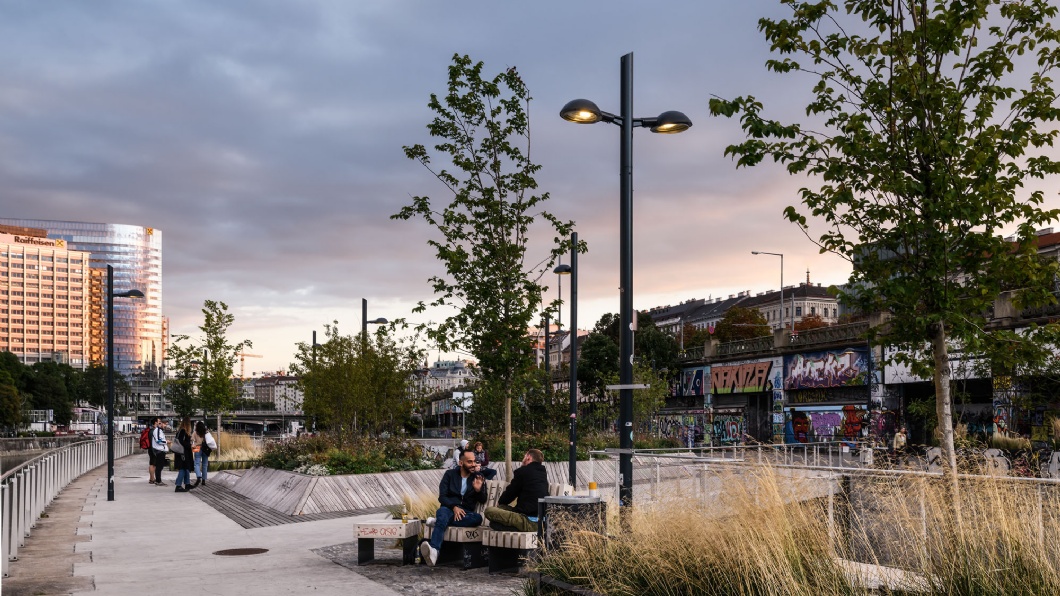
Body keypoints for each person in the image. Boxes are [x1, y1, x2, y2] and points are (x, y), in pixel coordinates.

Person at [420, 449, 487, 567]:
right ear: (461, 463)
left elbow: (483, 499)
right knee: (443, 512)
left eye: (474, 462)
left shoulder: (478, 477)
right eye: (469, 462)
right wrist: (454, 507)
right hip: (448, 508)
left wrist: (478, 490)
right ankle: (434, 551)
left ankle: (439, 521)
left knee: (477, 518)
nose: (473, 465)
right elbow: (442, 497)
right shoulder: (449, 475)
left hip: (466, 513)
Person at [484, 449, 548, 533]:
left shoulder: (523, 471)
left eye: (524, 457)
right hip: (541, 522)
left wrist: (500, 502)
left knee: (489, 511)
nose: (523, 459)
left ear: (528, 457)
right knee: (501, 509)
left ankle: (516, 527)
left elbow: (511, 492)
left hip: (528, 521)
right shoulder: (542, 473)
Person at [173, 417, 195, 492]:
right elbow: (182, 442)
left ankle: (187, 483)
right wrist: (190, 445)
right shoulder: (183, 431)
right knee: (183, 468)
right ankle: (178, 485)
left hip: (182, 452)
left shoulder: (180, 431)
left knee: (186, 468)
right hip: (183, 453)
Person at [192, 421, 215, 488]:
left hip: (197, 448)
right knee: (205, 465)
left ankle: (199, 476)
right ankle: (204, 480)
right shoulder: (206, 432)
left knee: (197, 463)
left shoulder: (195, 432)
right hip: (205, 448)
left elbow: (192, 440)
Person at [150, 418, 168, 486]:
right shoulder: (157, 431)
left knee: (160, 466)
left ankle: (158, 480)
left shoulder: (160, 431)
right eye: (165, 424)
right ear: (161, 423)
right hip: (159, 450)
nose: (166, 426)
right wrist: (166, 442)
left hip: (161, 450)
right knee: (159, 466)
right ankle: (158, 480)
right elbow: (158, 441)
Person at [147, 417, 159, 484]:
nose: (159, 423)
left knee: (152, 463)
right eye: (158, 422)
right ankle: (152, 478)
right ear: (155, 422)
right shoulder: (153, 431)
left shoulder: (151, 430)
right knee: (153, 464)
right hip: (153, 449)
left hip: (151, 449)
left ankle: (151, 478)